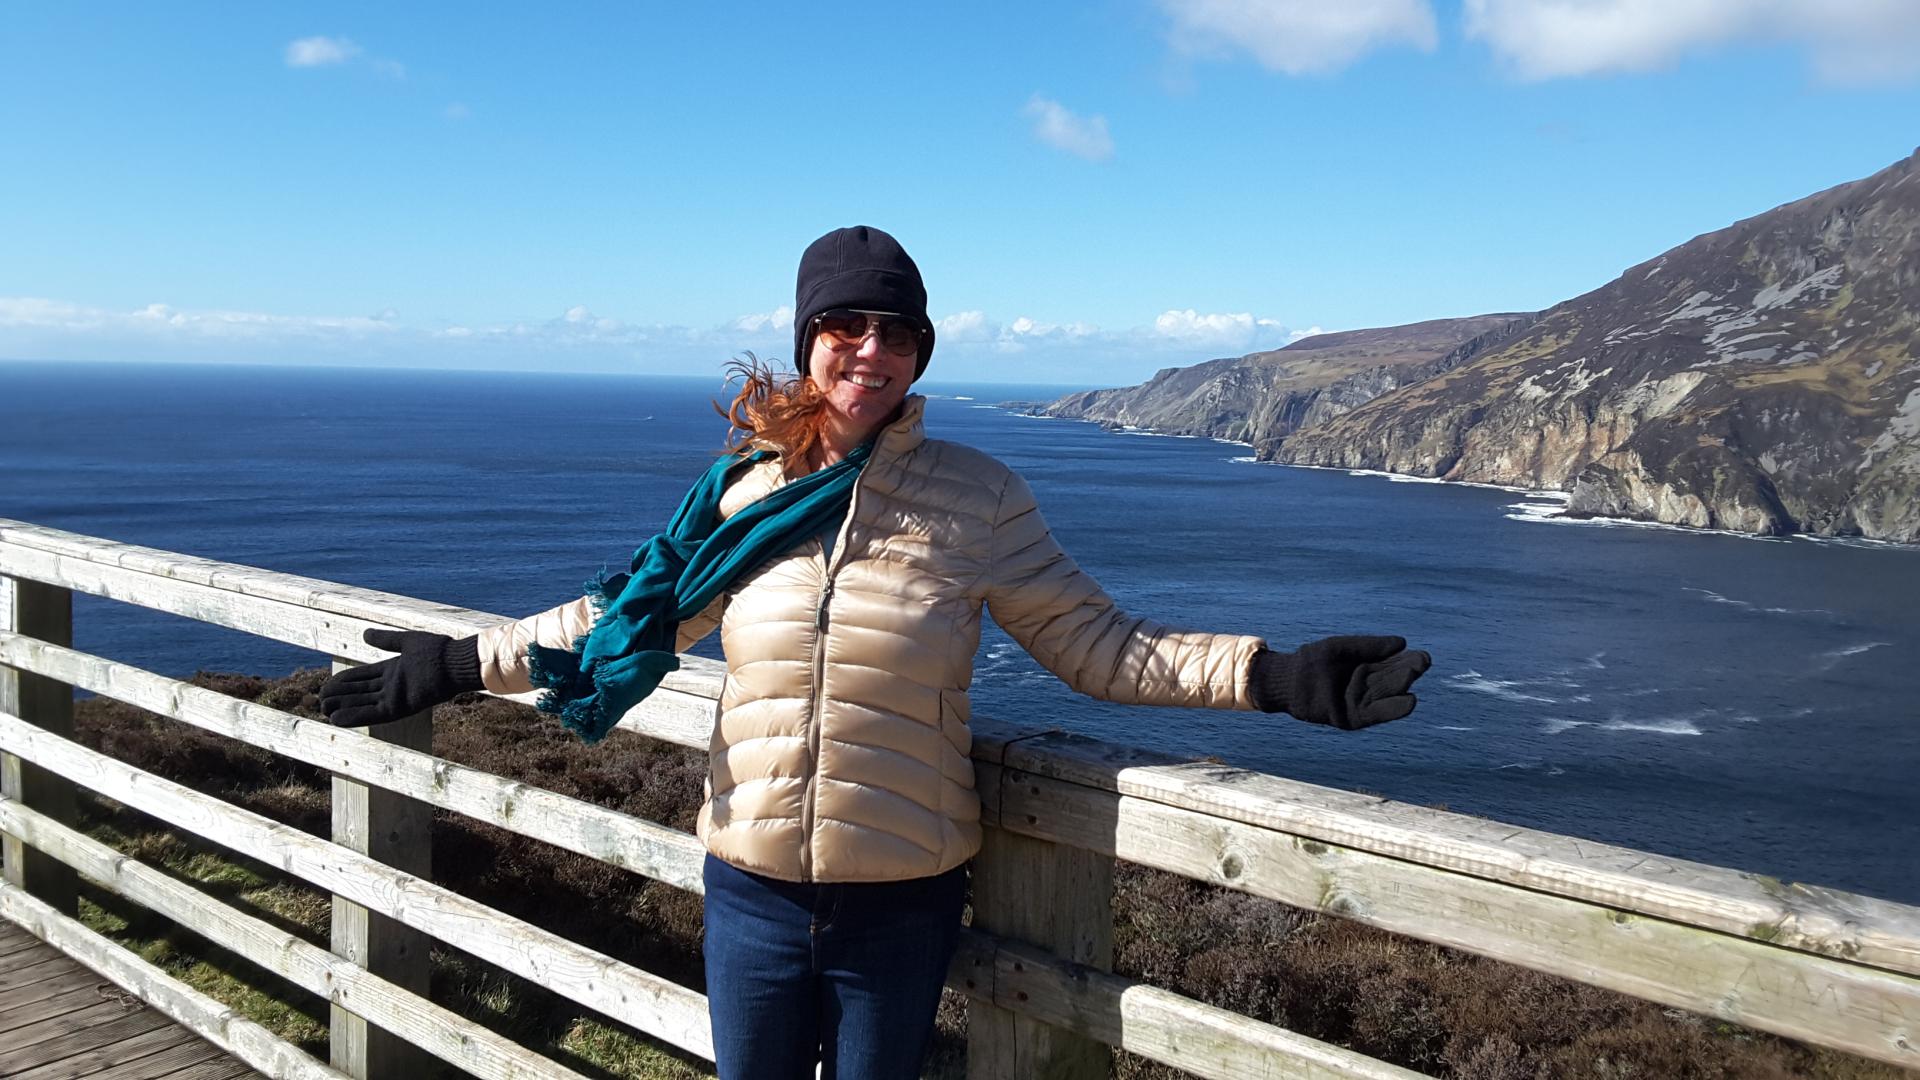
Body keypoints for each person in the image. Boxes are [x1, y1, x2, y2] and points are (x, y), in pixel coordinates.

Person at [318, 225, 1433, 1079]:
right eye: (846, 326)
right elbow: (622, 619)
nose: (871, 349)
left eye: (897, 332)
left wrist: (1278, 677)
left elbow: (1099, 649)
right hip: (748, 884)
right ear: (809, 342)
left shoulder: (978, 497)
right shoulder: (741, 492)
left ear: (919, 354)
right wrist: (462, 662)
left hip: (902, 895)